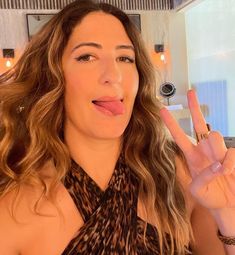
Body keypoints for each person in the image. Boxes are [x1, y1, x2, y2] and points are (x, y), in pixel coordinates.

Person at [0, 0, 234, 254]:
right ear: (52, 76)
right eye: (87, 56)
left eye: (124, 57)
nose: (114, 75)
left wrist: (228, 215)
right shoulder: (14, 203)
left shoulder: (181, 174)